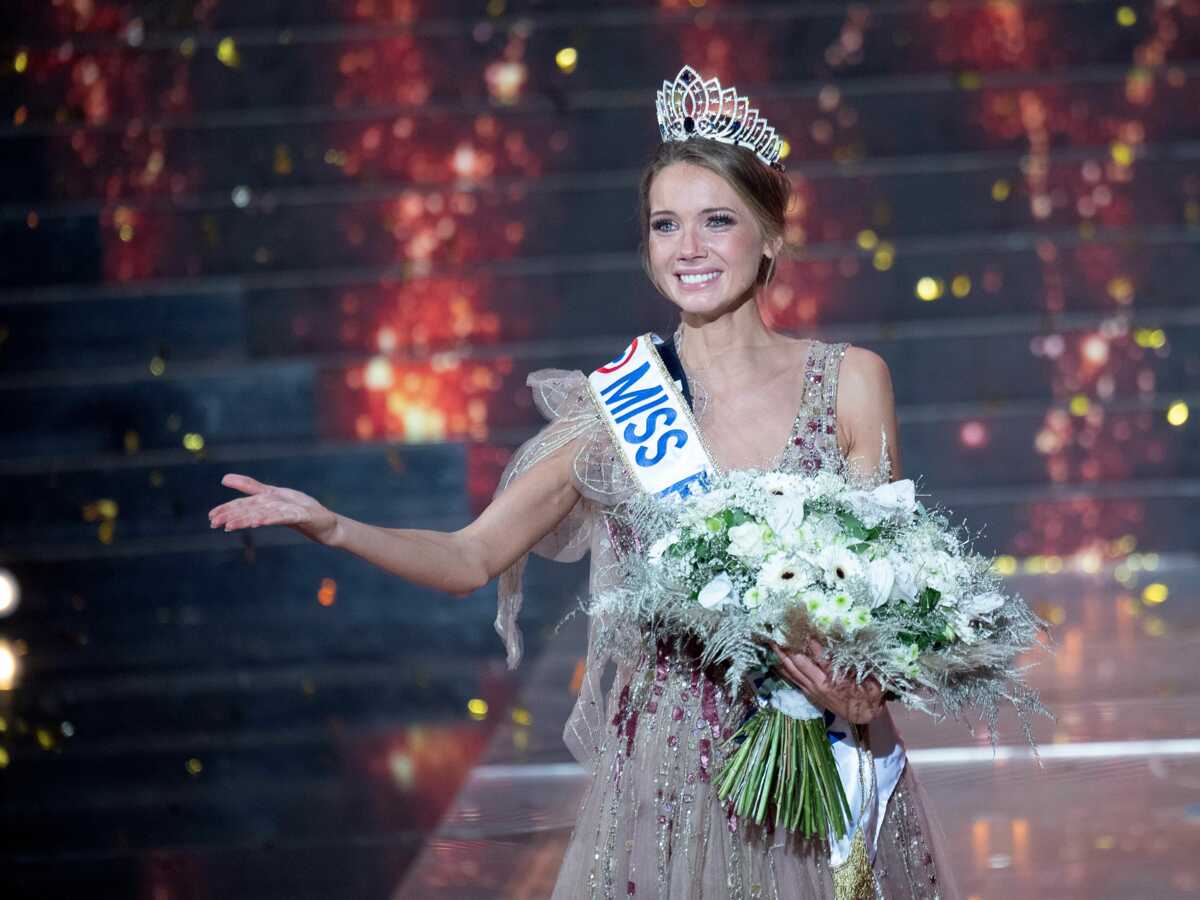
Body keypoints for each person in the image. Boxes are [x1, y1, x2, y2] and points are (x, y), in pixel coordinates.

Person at [208, 66, 961, 900]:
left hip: (825, 758)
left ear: (771, 237)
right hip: (671, 777)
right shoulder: (616, 413)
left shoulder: (852, 380)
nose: (690, 249)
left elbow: (890, 587)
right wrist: (336, 527)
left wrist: (866, 685)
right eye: (665, 225)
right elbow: (469, 556)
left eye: (718, 221)